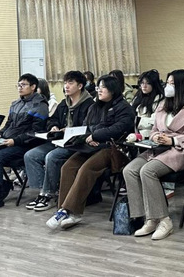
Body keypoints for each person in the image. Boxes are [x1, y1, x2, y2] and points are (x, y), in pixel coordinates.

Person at [123, 70, 184, 240]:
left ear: (181, 86)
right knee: (129, 170)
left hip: (181, 151)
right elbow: (154, 128)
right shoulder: (163, 104)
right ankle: (146, 218)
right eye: (167, 83)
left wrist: (173, 140)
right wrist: (155, 137)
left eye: (172, 83)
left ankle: (164, 220)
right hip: (158, 148)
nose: (168, 86)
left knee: (147, 171)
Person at [46, 75, 135, 230]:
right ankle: (64, 210)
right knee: (68, 167)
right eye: (98, 87)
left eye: (103, 87)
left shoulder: (124, 108)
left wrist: (96, 136)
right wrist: (89, 137)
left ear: (113, 89)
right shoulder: (94, 107)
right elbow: (86, 127)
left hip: (113, 149)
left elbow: (118, 129)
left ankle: (69, 211)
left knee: (86, 169)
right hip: (91, 146)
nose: (99, 90)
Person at [0, 73, 49, 211]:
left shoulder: (40, 105)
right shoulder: (16, 103)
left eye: (23, 85)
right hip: (6, 142)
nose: (20, 87)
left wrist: (15, 141)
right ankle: (3, 184)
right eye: (18, 85)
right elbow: (8, 124)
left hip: (24, 145)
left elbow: (36, 132)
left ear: (33, 87)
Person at [23, 71, 94, 211]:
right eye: (65, 83)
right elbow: (52, 119)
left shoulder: (89, 105)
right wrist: (53, 126)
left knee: (52, 157)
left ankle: (49, 194)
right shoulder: (64, 103)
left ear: (80, 86)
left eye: (70, 83)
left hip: (76, 144)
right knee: (31, 155)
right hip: (59, 140)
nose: (66, 86)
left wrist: (69, 131)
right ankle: (43, 191)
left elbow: (88, 128)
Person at [131, 70, 164, 139]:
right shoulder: (138, 96)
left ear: (154, 85)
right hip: (133, 131)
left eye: (148, 83)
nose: (144, 86)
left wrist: (137, 121)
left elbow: (155, 121)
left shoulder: (160, 99)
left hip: (149, 134)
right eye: (142, 83)